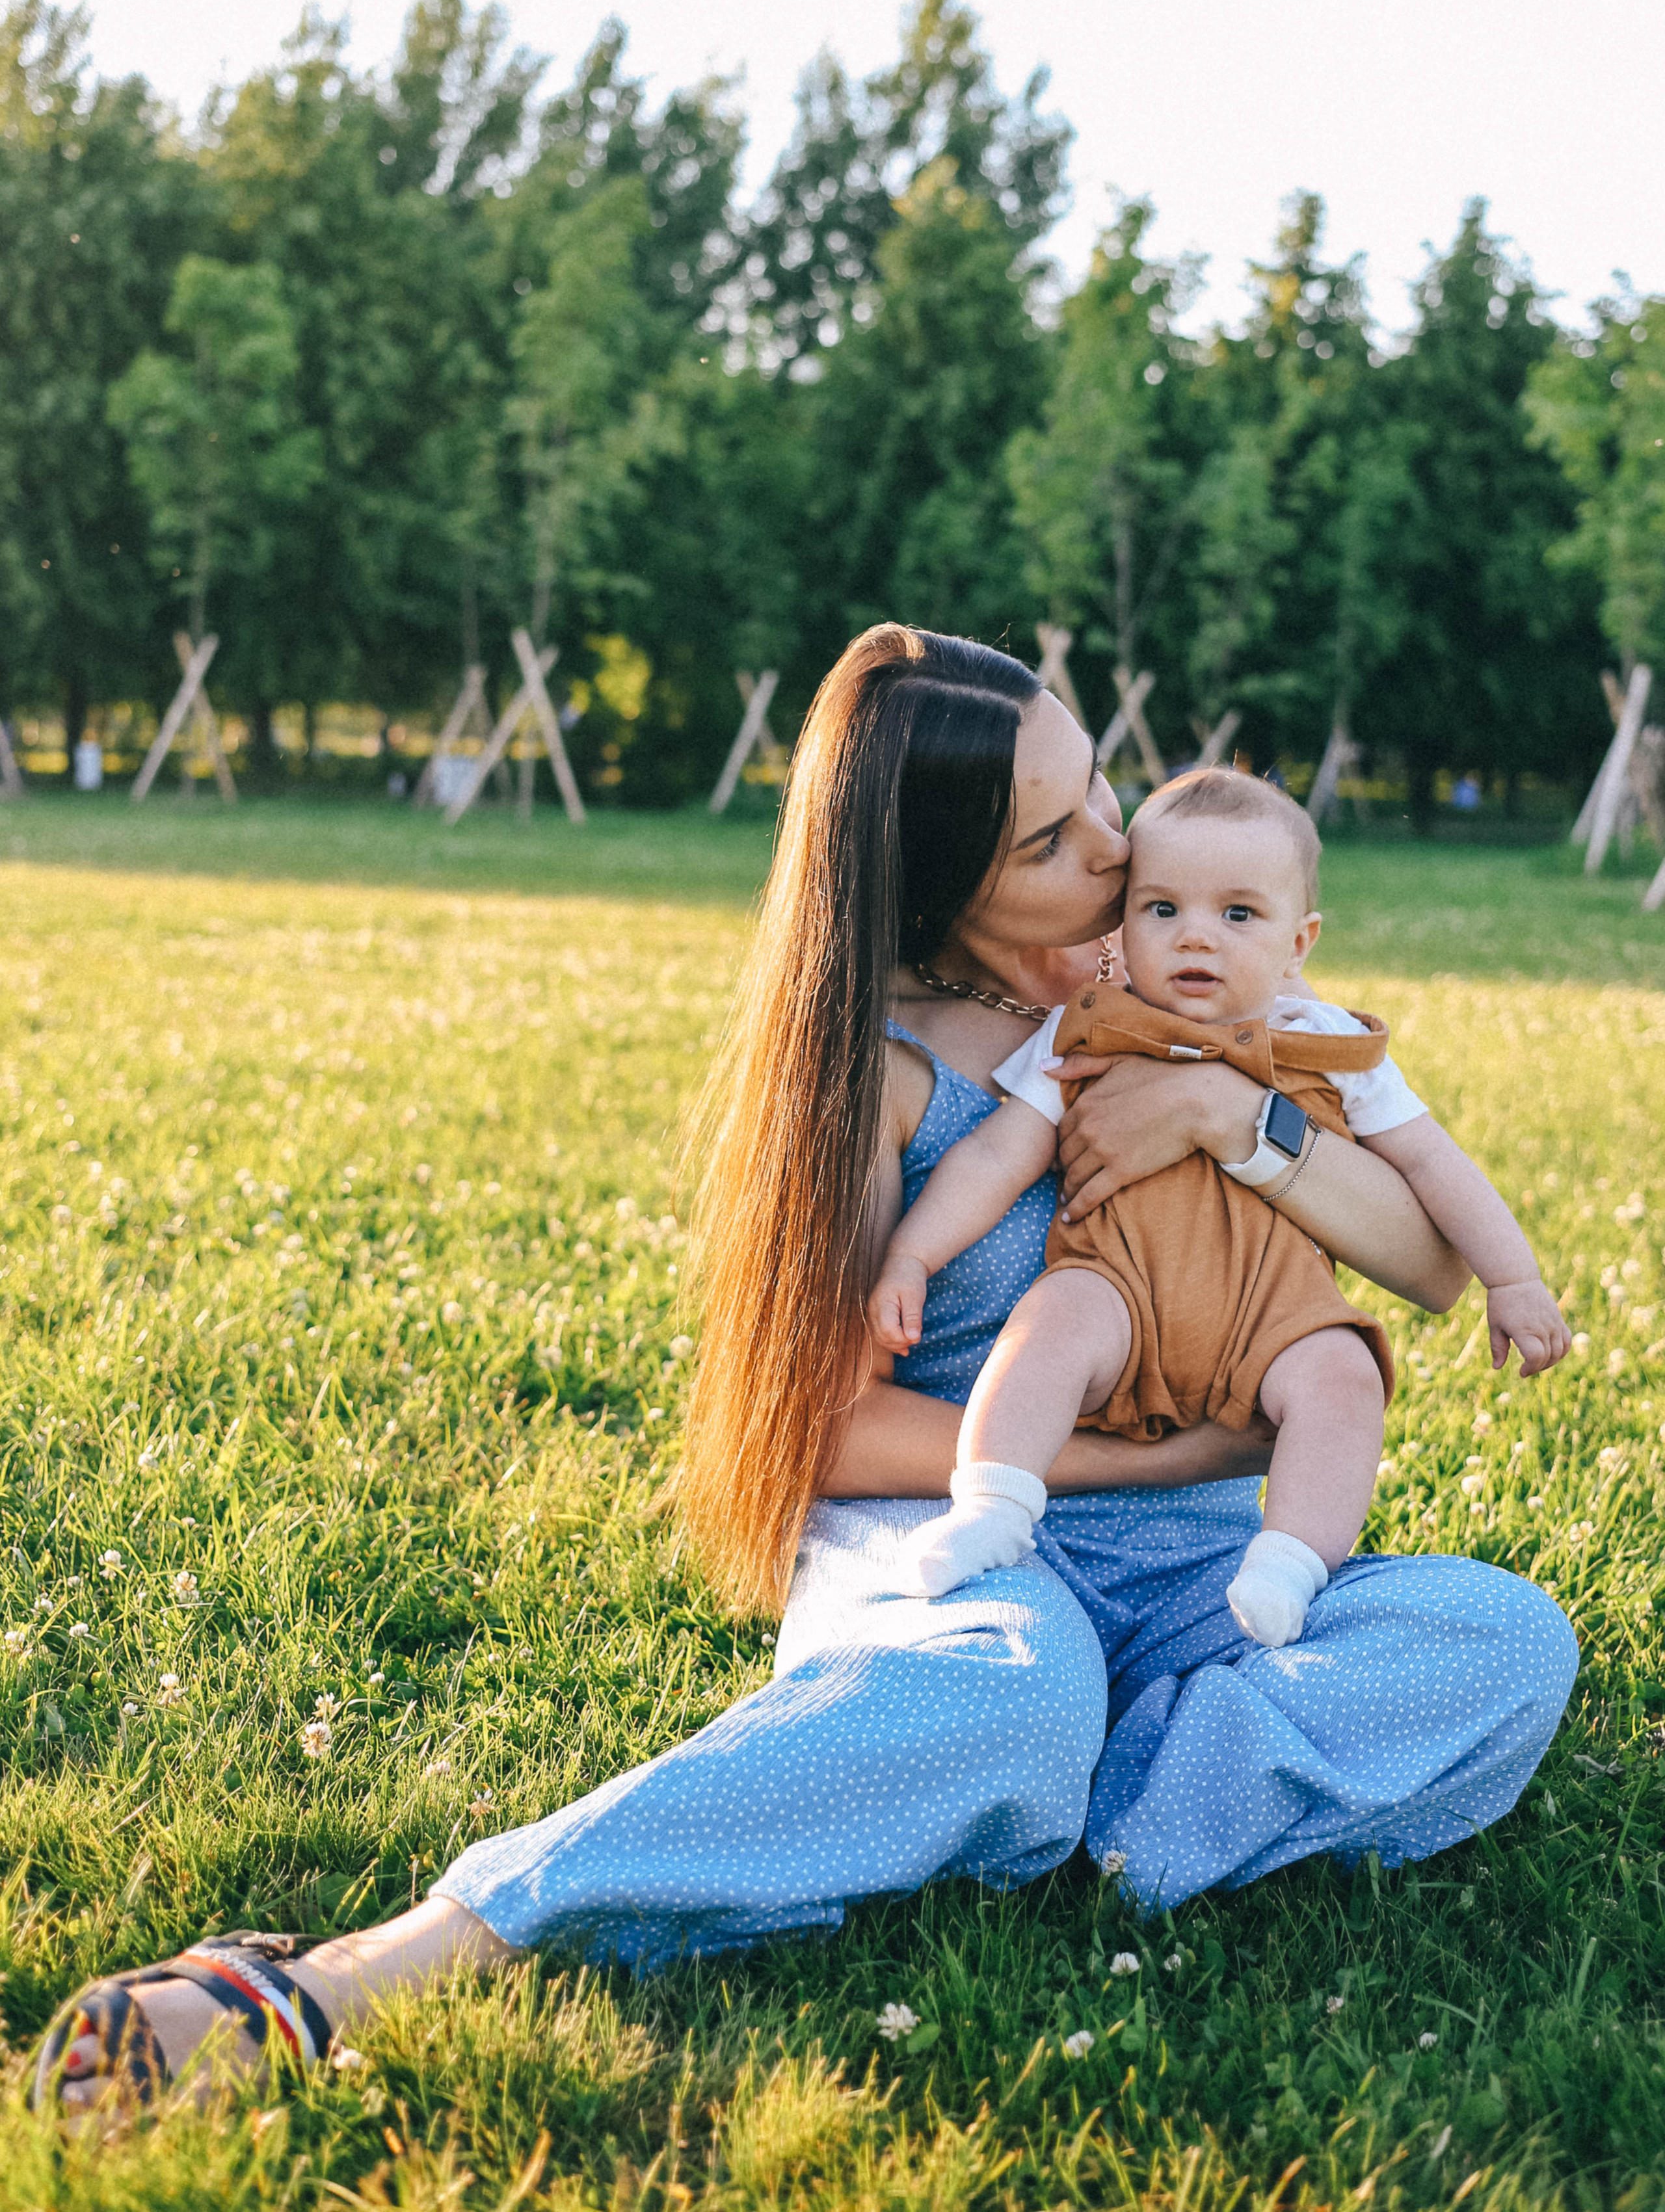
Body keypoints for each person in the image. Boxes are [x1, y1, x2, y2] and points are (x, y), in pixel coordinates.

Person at [35, 625, 1579, 2123]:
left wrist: (1230, 1132)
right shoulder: (886, 1078)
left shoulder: (1181, 958)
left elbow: (1428, 1264)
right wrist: (1149, 1462)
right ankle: (388, 1967)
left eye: (1098, 790)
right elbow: (823, 1431)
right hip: (964, 1548)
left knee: (1499, 1638)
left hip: (1198, 1583)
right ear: (941, 883)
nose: (1113, 852)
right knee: (1008, 1687)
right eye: (1054, 840)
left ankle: (1058, 1801)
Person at [873, 767, 1569, 1640]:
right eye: (1163, 909)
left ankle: (1289, 1563)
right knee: (1047, 1328)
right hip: (1117, 1284)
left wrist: (1514, 1278)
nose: (1196, 938)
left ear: (1299, 941)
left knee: (1345, 1379)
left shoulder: (1325, 1042)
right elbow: (1001, 1152)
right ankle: (992, 1507)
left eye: (1238, 915)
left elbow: (1432, 1161)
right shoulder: (1090, 1022)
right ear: (1122, 927)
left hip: (1273, 1313)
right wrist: (913, 1254)